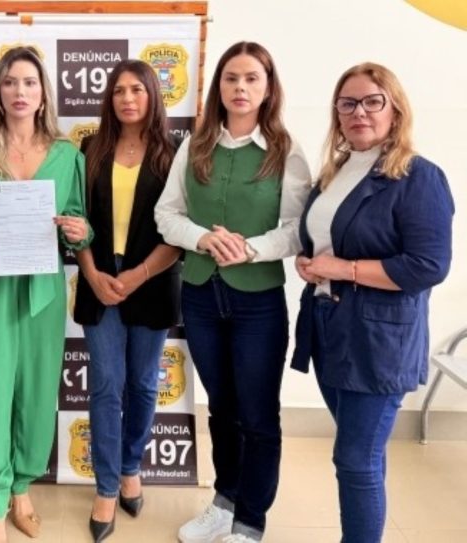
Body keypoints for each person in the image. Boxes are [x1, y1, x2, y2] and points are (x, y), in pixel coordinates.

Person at [155, 41, 312, 543]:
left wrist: (249, 249)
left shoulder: (286, 151)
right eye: (231, 78)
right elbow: (167, 214)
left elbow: (296, 229)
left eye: (251, 78)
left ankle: (250, 520)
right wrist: (202, 238)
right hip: (201, 296)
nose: (240, 87)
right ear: (218, 86)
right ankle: (225, 501)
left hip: (257, 302)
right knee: (221, 408)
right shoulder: (195, 145)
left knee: (258, 415)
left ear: (268, 88)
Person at [291, 62, 453, 543]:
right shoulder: (335, 174)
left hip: (378, 342)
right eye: (347, 103)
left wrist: (343, 269)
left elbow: (428, 266)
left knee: (354, 459)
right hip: (329, 327)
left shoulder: (419, 177)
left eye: (371, 101)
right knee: (363, 454)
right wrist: (309, 262)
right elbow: (325, 241)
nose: (358, 112)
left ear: (395, 109)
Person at [0, 45, 90, 543]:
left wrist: (79, 230)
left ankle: (22, 489)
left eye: (29, 82)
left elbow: (81, 222)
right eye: (10, 82)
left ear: (43, 93)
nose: (20, 91)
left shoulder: (68, 155)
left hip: (43, 286)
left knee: (36, 390)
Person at [73, 59, 181, 542]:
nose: (127, 98)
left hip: (152, 281)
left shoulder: (174, 154)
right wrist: (92, 273)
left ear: (152, 95)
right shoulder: (90, 149)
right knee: (105, 386)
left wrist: (137, 275)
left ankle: (132, 465)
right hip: (99, 281)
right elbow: (75, 217)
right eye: (119, 90)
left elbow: (178, 231)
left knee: (141, 384)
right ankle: (106, 487)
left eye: (137, 89)